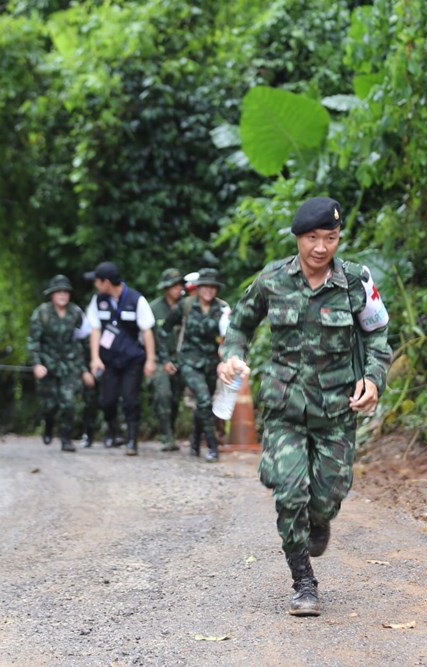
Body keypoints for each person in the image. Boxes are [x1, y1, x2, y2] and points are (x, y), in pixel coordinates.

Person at [218, 197, 392, 617]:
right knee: (290, 491)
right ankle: (303, 581)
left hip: (336, 409)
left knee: (326, 497)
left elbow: (377, 335)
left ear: (337, 239)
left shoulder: (355, 282)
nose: (320, 247)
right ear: (298, 238)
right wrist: (232, 356)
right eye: (312, 238)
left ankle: (320, 518)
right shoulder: (272, 280)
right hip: (284, 407)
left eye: (329, 238)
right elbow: (239, 325)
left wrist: (372, 378)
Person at [84, 261, 156, 456]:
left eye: (97, 281)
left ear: (106, 282)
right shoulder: (98, 301)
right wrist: (95, 358)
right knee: (108, 401)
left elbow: (147, 331)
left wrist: (150, 359)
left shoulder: (135, 299)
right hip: (108, 360)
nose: (95, 285)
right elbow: (95, 329)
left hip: (132, 359)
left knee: (131, 399)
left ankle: (132, 440)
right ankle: (113, 431)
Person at [160, 267, 230, 462]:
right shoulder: (186, 306)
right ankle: (212, 446)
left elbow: (229, 336)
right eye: (204, 287)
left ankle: (193, 441)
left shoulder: (222, 309)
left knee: (203, 403)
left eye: (212, 287)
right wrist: (166, 358)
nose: (208, 291)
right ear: (198, 288)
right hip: (189, 362)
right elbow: (163, 331)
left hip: (211, 363)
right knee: (204, 400)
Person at [26, 275, 90, 453]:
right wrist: (36, 364)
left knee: (69, 403)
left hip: (70, 365)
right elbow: (33, 342)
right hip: (48, 366)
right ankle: (48, 425)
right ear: (52, 294)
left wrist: (84, 368)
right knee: (50, 405)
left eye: (65, 292)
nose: (62, 295)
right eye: (59, 292)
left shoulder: (76, 313)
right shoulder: (42, 313)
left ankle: (66, 438)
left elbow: (83, 341)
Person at [149, 268, 185, 452]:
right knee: (163, 394)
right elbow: (149, 337)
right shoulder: (154, 309)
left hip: (181, 359)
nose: (177, 289)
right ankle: (166, 436)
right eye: (173, 285)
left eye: (179, 285)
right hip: (158, 359)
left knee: (176, 397)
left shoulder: (186, 306)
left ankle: (170, 429)